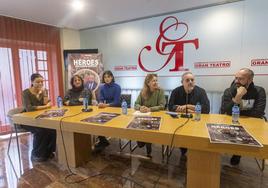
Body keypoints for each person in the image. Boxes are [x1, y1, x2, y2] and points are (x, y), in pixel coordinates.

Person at [221, 68, 266, 165]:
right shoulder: (229, 91)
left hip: (251, 125)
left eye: (240, 79)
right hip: (233, 122)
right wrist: (238, 97)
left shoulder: (259, 91)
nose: (236, 81)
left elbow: (258, 113)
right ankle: (232, 150)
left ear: (250, 80)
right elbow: (225, 111)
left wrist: (237, 111)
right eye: (236, 78)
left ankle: (237, 153)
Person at [168, 71, 210, 156]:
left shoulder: (201, 91)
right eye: (187, 80)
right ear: (182, 82)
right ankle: (183, 148)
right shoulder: (176, 91)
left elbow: (206, 109)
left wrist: (188, 106)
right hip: (179, 121)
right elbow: (170, 106)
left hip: (197, 122)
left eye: (192, 80)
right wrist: (188, 110)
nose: (190, 82)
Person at [21, 73, 56, 162]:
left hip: (40, 118)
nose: (40, 84)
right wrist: (46, 106)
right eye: (38, 82)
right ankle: (36, 154)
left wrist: (44, 94)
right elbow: (29, 108)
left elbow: (46, 103)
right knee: (41, 130)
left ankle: (47, 152)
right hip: (27, 120)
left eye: (42, 82)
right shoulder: (26, 93)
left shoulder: (43, 91)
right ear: (32, 82)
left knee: (53, 129)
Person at [134, 74, 166, 158]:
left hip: (155, 118)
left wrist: (150, 109)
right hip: (143, 117)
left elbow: (162, 106)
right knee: (140, 143)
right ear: (148, 83)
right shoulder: (143, 91)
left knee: (148, 130)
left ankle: (148, 147)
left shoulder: (160, 91)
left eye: (156, 80)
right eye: (153, 81)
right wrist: (140, 107)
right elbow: (136, 104)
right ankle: (145, 141)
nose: (156, 82)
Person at [94, 70, 121, 151]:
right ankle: (103, 140)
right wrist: (100, 103)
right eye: (105, 77)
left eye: (108, 77)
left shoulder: (117, 87)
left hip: (116, 109)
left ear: (112, 77)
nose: (107, 79)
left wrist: (106, 105)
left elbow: (116, 102)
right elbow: (101, 99)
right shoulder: (102, 87)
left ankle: (105, 138)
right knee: (96, 121)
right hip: (106, 109)